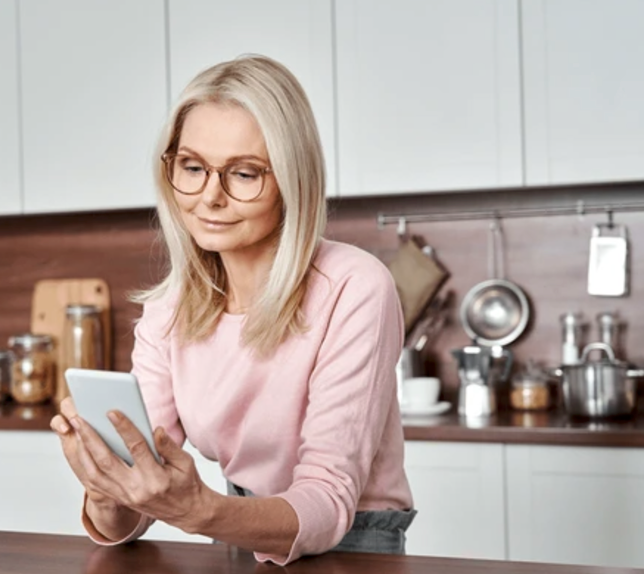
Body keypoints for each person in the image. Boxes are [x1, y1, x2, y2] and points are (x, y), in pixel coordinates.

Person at [50, 54, 415, 565]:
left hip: (354, 542)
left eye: (244, 174)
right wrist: (108, 490)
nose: (210, 197)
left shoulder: (354, 286)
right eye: (193, 167)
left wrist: (200, 511)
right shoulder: (168, 310)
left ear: (292, 180)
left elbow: (329, 500)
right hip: (239, 522)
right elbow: (132, 515)